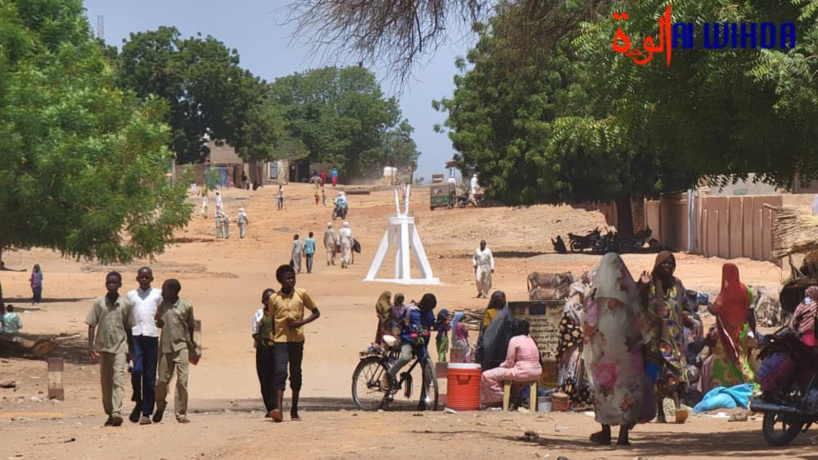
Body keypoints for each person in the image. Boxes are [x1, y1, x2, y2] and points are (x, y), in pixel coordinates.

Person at [584, 253, 655, 446]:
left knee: (603, 389)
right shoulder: (628, 292)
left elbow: (587, 321)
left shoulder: (594, 294)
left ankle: (605, 432)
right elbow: (641, 317)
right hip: (626, 352)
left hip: (603, 351)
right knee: (626, 389)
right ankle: (623, 436)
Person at [638, 251, 696, 424]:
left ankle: (678, 408)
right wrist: (642, 285)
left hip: (674, 338)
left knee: (675, 371)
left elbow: (684, 306)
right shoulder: (650, 285)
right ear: (657, 265)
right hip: (654, 338)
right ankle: (660, 412)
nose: (667, 266)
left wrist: (689, 320)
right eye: (664, 263)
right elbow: (637, 301)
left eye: (670, 263)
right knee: (656, 374)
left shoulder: (677, 284)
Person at [267, 265, 321, 422]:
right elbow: (271, 320)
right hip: (280, 341)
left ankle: (294, 409)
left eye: (293, 278)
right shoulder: (274, 298)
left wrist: (301, 322)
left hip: (297, 340)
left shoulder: (301, 294)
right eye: (287, 278)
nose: (291, 281)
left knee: (295, 373)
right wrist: (271, 337)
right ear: (280, 280)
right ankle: (279, 410)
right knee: (280, 372)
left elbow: (316, 312)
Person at [699, 264, 756, 394]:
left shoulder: (724, 294)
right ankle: (744, 383)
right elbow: (751, 313)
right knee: (741, 357)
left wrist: (708, 306)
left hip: (727, 333)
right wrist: (754, 332)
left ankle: (726, 385)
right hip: (742, 331)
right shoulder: (746, 290)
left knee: (727, 358)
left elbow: (714, 309)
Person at [86, 271, 132, 427]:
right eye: (109, 282)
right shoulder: (99, 303)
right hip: (104, 347)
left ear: (120, 284)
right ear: (106, 284)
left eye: (114, 282)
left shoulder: (125, 304)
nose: (111, 285)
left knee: (118, 379)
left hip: (120, 346)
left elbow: (129, 328)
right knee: (106, 382)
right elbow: (92, 324)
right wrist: (90, 346)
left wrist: (131, 351)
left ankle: (117, 412)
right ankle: (110, 413)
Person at [153, 279, 198, 424]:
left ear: (173, 291)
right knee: (162, 381)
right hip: (166, 347)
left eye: (164, 290)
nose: (162, 293)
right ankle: (160, 404)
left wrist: (193, 345)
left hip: (182, 346)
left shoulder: (186, 306)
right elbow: (159, 323)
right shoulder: (162, 305)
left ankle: (181, 413)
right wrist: (158, 321)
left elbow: (191, 326)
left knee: (182, 381)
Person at [386, 293, 437, 410]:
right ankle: (389, 374)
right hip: (408, 341)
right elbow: (399, 318)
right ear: (423, 304)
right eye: (428, 308)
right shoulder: (410, 309)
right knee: (405, 357)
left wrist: (441, 324)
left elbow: (432, 323)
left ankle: (423, 400)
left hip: (421, 345)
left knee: (428, 372)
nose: (429, 310)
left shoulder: (429, 312)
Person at [127, 267, 162, 425]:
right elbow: (127, 316)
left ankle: (146, 412)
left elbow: (163, 311)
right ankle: (138, 399)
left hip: (152, 336)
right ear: (137, 278)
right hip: (135, 336)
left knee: (149, 377)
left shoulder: (158, 294)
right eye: (141, 277)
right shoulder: (131, 295)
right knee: (136, 371)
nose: (144, 279)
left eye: (147, 277)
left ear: (151, 279)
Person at [480, 319, 543, 406]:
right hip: (537, 372)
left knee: (486, 375)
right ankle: (513, 399)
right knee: (510, 377)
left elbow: (509, 362)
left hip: (522, 372)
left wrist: (501, 366)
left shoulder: (514, 340)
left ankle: (499, 397)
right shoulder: (531, 339)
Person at [557, 282, 594, 409]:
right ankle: (570, 400)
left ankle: (576, 400)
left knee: (577, 371)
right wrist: (585, 331)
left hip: (576, 345)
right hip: (572, 347)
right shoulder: (572, 307)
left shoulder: (573, 306)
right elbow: (570, 327)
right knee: (573, 371)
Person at [475, 291, 515, 371]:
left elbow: (485, 331)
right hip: (504, 348)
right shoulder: (508, 313)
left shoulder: (491, 312)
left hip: (492, 347)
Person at [252, 289, 276, 416]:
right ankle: (269, 408)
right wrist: (265, 338)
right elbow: (255, 334)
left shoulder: (280, 314)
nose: (270, 302)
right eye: (268, 299)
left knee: (276, 378)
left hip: (277, 350)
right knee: (264, 379)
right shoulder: (259, 314)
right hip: (263, 350)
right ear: (263, 301)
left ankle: (275, 406)